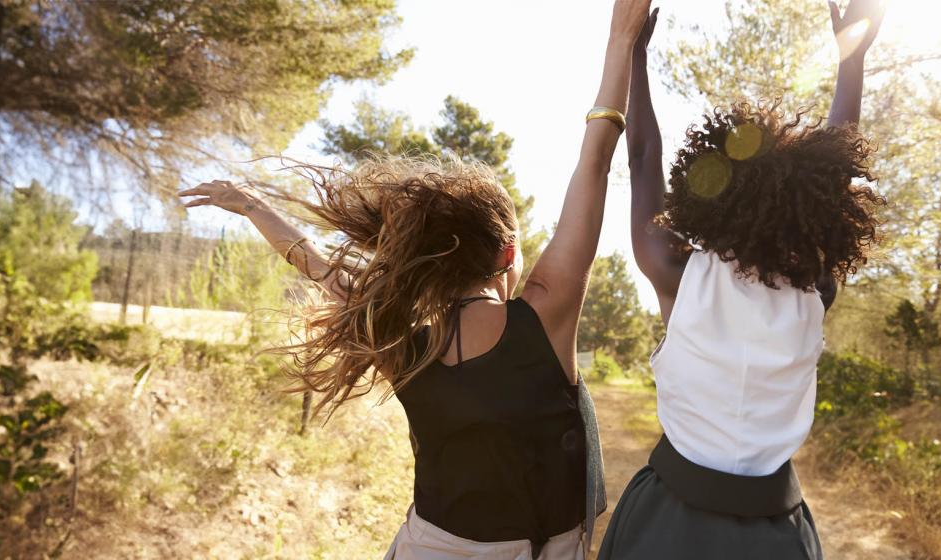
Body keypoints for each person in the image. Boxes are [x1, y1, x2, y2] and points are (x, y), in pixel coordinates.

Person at [177, 1, 652, 557]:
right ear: (506, 254)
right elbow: (595, 161)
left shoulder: (399, 337)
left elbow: (315, 262)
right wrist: (622, 39)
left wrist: (254, 206)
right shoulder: (543, 316)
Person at [597, 1, 887, 558]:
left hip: (666, 523)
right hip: (779, 535)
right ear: (816, 211)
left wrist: (634, 53)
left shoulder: (679, 272)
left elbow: (642, 157)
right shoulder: (813, 292)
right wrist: (853, 60)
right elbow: (838, 171)